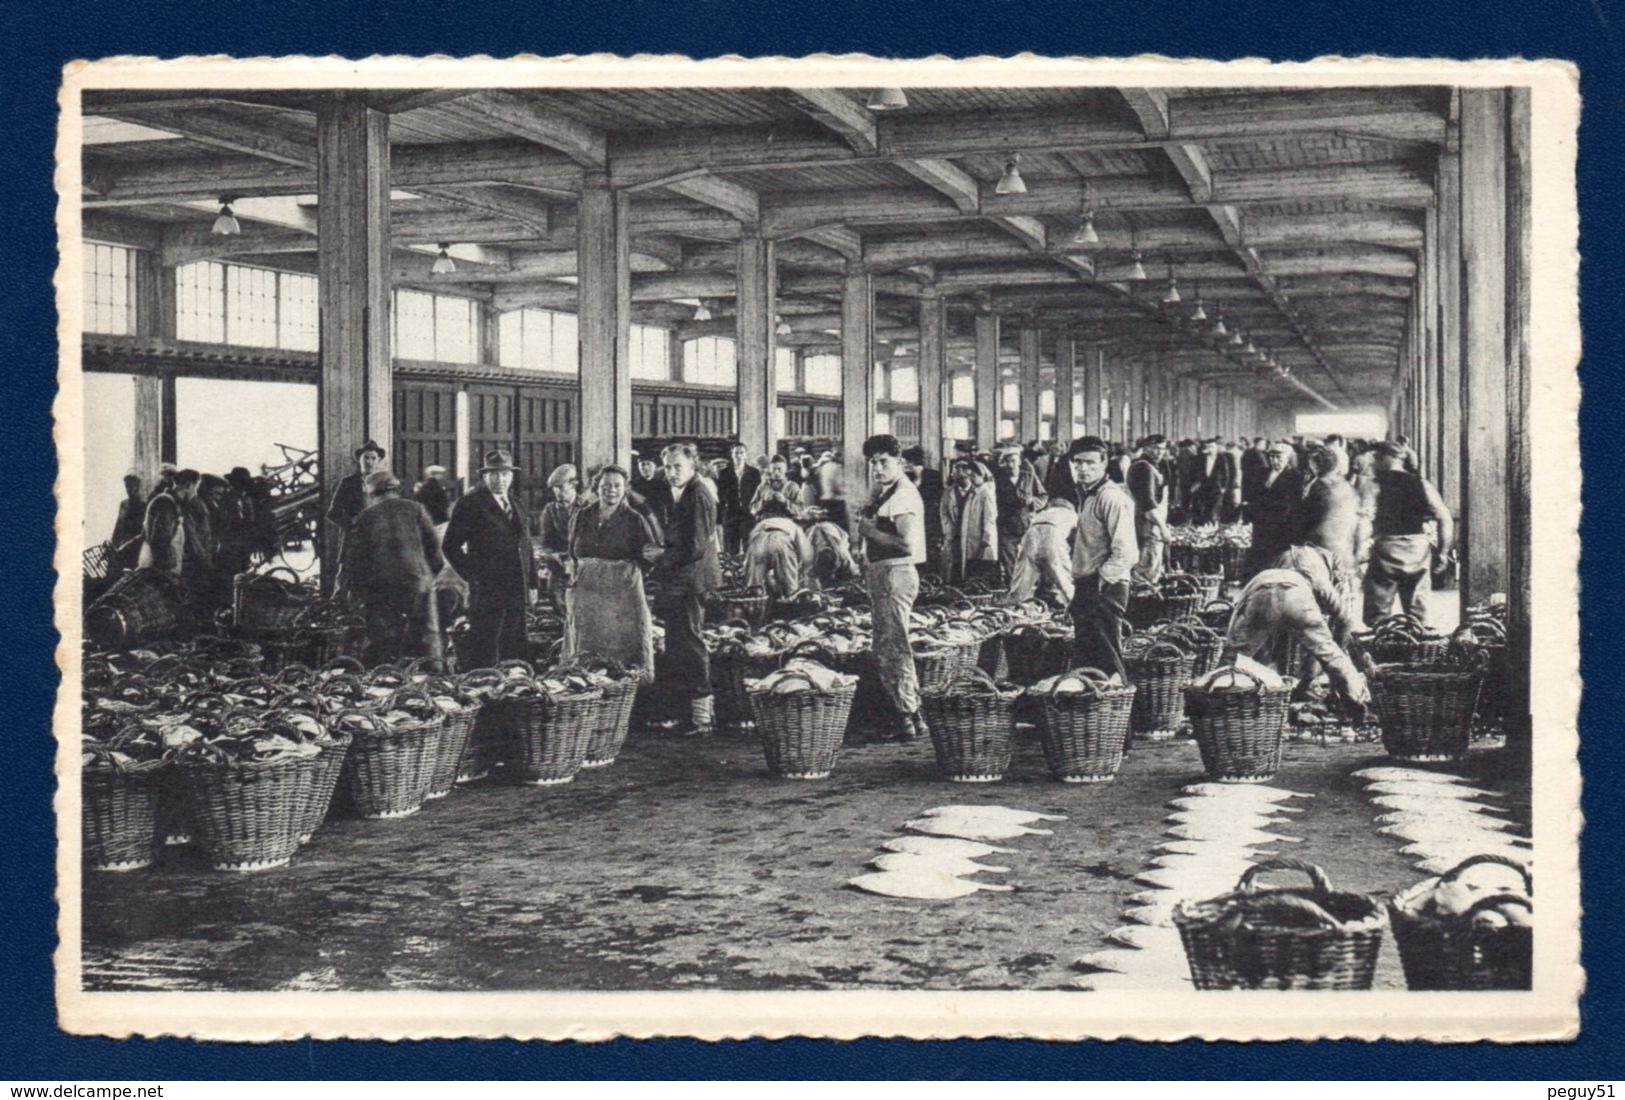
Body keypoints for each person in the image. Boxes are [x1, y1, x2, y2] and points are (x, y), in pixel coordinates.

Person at [1226, 544, 1371, 709]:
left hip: (1261, 590)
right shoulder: (1322, 574)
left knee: (1235, 659)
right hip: (1297, 596)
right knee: (1329, 652)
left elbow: (1243, 615)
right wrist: (1338, 655)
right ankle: (1355, 698)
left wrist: (1232, 651)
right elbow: (1344, 619)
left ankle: (1217, 698)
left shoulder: (1284, 558)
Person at [855, 433, 930, 741]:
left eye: (884, 462)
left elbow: (905, 544)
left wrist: (868, 530)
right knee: (888, 646)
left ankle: (907, 716)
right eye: (873, 462)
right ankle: (910, 716)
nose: (877, 468)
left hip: (895, 574)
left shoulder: (903, 496)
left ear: (900, 462)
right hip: (883, 574)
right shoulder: (888, 492)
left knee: (894, 647)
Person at [562, 465, 662, 679]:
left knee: (621, 653)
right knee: (586, 649)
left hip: (621, 598)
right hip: (588, 596)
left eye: (617, 485)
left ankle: (622, 695)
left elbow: (649, 555)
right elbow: (571, 551)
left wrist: (627, 576)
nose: (612, 490)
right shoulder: (582, 516)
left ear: (625, 489)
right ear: (596, 487)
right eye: (606, 485)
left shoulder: (634, 519)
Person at [650, 442, 722, 735]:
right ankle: (686, 712)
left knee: (690, 643)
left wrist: (660, 555)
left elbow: (695, 547)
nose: (671, 472)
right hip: (681, 580)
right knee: (678, 643)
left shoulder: (699, 494)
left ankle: (702, 718)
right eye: (667, 466)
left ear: (693, 466)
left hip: (692, 581)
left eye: (677, 466)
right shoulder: (684, 493)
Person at [442, 450, 536, 670]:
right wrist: (474, 576)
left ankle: (516, 692)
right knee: (486, 646)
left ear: (511, 477)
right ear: (484, 477)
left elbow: (526, 546)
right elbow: (450, 546)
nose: (500, 479)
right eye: (494, 474)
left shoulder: (517, 504)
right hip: (488, 590)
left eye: (504, 474)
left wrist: (532, 584)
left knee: (514, 645)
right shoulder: (470, 504)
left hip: (517, 589)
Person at [342, 469, 444, 665]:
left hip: (380, 588)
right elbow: (434, 550)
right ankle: (434, 679)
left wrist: (358, 591)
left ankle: (382, 684)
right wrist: (427, 575)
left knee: (381, 642)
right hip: (417, 583)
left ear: (370, 493)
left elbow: (355, 561)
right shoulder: (416, 510)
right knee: (427, 637)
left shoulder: (365, 518)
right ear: (395, 489)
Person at [1359, 440, 1454, 625]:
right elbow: (1445, 517)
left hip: (1387, 549)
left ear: (1388, 457)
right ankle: (1418, 650)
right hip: (1418, 550)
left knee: (1377, 614)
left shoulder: (1373, 485)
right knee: (1418, 616)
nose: (1373, 464)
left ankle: (1382, 646)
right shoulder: (1421, 483)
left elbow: (1364, 520)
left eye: (1376, 459)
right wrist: (1443, 552)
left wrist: (1357, 550)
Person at [1066, 437, 1138, 680]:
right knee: (1087, 656)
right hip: (1088, 584)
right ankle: (1092, 713)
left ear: (1105, 462)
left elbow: (1127, 552)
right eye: (1078, 462)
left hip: (1105, 586)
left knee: (1108, 657)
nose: (1083, 469)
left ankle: (1120, 712)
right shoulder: (1089, 495)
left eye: (1090, 462)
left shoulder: (1111, 498)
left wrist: (1100, 580)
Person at [1299, 445, 1365, 632]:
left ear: (1317, 465)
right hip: (1345, 550)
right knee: (1344, 599)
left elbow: (1306, 519)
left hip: (1322, 549)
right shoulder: (1347, 487)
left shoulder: (1318, 487)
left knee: (1323, 600)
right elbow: (1358, 522)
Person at [327, 440, 386, 593]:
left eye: (373, 458)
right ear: (359, 460)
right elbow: (333, 513)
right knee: (345, 580)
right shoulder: (348, 483)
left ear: (378, 461)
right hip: (353, 540)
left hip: (377, 540)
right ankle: (336, 612)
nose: (369, 462)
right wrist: (352, 524)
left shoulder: (383, 484)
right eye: (366, 458)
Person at [1243, 440, 1307, 578]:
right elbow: (1255, 495)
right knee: (1259, 556)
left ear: (1287, 458)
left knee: (1276, 558)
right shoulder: (1262, 473)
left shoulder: (1295, 477)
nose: (1274, 460)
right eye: (1272, 457)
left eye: (1278, 457)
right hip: (1261, 523)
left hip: (1280, 525)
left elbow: (1294, 504)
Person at [938, 457, 999, 587]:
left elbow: (989, 518)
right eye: (956, 470)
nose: (961, 474)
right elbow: (944, 515)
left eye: (964, 471)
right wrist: (948, 532)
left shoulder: (980, 492)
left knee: (974, 567)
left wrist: (986, 538)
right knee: (955, 564)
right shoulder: (948, 492)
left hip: (975, 536)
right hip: (955, 535)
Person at [1006, 497, 1078, 606]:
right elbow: (1077, 541)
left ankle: (1013, 608)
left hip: (1030, 535)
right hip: (1053, 534)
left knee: (1022, 579)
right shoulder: (1072, 514)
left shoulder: (1042, 513)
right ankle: (1074, 607)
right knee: (1063, 578)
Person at [992, 443, 1046, 580]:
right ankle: (1013, 587)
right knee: (1009, 559)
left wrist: (1032, 502)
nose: (1011, 465)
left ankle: (1028, 586)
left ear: (1020, 461)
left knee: (1029, 556)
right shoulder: (998, 480)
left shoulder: (1028, 477)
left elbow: (1043, 496)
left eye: (1013, 461)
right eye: (1007, 461)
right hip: (1006, 525)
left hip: (1026, 523)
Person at [1127, 435, 1171, 585]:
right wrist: (1163, 528)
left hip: (1150, 525)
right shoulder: (1144, 467)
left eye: (1162, 449)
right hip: (1147, 526)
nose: (1159, 452)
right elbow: (1148, 505)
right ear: (1146, 448)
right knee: (1146, 571)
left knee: (1151, 570)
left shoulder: (1152, 466)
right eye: (1155, 448)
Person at [537, 463, 581, 613]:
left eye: (561, 487)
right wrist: (554, 556)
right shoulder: (550, 510)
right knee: (557, 599)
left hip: (583, 564)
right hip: (559, 565)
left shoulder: (588, 507)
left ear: (574, 484)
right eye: (555, 488)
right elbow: (545, 543)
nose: (557, 492)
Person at [139, 468, 200, 576]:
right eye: (195, 488)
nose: (195, 494)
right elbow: (160, 540)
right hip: (159, 571)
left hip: (165, 570)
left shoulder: (173, 504)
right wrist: (167, 572)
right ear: (188, 485)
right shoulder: (166, 503)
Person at [744, 513, 817, 598]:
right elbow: (806, 554)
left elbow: (751, 538)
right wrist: (804, 571)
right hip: (780, 540)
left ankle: (755, 597)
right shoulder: (795, 526)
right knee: (789, 582)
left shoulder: (763, 522)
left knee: (755, 581)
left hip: (758, 541)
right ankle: (791, 598)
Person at [713, 440, 761, 555]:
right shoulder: (724, 473)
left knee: (749, 545)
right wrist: (721, 515)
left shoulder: (754, 473)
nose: (739, 455)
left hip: (748, 514)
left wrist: (756, 511)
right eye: (736, 453)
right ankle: (731, 571)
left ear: (746, 455)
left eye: (741, 452)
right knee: (730, 546)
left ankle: (748, 570)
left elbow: (759, 494)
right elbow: (720, 495)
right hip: (731, 513)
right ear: (732, 455)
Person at [902, 446, 944, 576]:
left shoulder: (933, 475)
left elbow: (939, 497)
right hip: (913, 520)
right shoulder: (905, 477)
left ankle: (931, 578)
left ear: (911, 461)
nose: (902, 464)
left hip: (929, 519)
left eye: (904, 461)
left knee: (930, 549)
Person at [1186, 438, 1233, 525]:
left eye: (1212, 447)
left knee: (1213, 509)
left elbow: (1227, 475)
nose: (1209, 449)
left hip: (1216, 488)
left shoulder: (1222, 459)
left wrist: (1223, 487)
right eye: (1207, 447)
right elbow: (1192, 472)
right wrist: (1194, 484)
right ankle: (1199, 527)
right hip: (1202, 487)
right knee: (1199, 508)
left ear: (1216, 448)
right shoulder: (1199, 458)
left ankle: (1212, 526)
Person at [109, 470, 147, 575]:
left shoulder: (144, 506)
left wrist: (128, 545)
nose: (129, 490)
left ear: (138, 487)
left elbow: (142, 532)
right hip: (121, 546)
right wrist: (112, 545)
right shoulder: (123, 504)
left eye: (132, 486)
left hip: (134, 548)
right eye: (127, 486)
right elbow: (118, 525)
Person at [750, 453, 803, 519]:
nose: (776, 472)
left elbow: (801, 511)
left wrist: (785, 502)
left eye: (779, 469)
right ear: (770, 469)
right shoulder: (762, 486)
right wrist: (763, 501)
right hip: (766, 522)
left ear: (785, 469)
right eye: (774, 469)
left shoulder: (793, 487)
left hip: (786, 523)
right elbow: (752, 510)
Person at [812, 449, 847, 529]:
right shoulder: (837, 468)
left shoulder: (825, 466)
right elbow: (838, 487)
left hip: (825, 499)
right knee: (839, 529)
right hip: (835, 502)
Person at [1240, 437, 1270, 522]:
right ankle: (1247, 521)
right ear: (1258, 444)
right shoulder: (1249, 453)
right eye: (1263, 444)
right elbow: (1245, 468)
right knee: (1249, 502)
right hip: (1251, 482)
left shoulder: (1265, 453)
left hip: (1261, 483)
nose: (1265, 445)